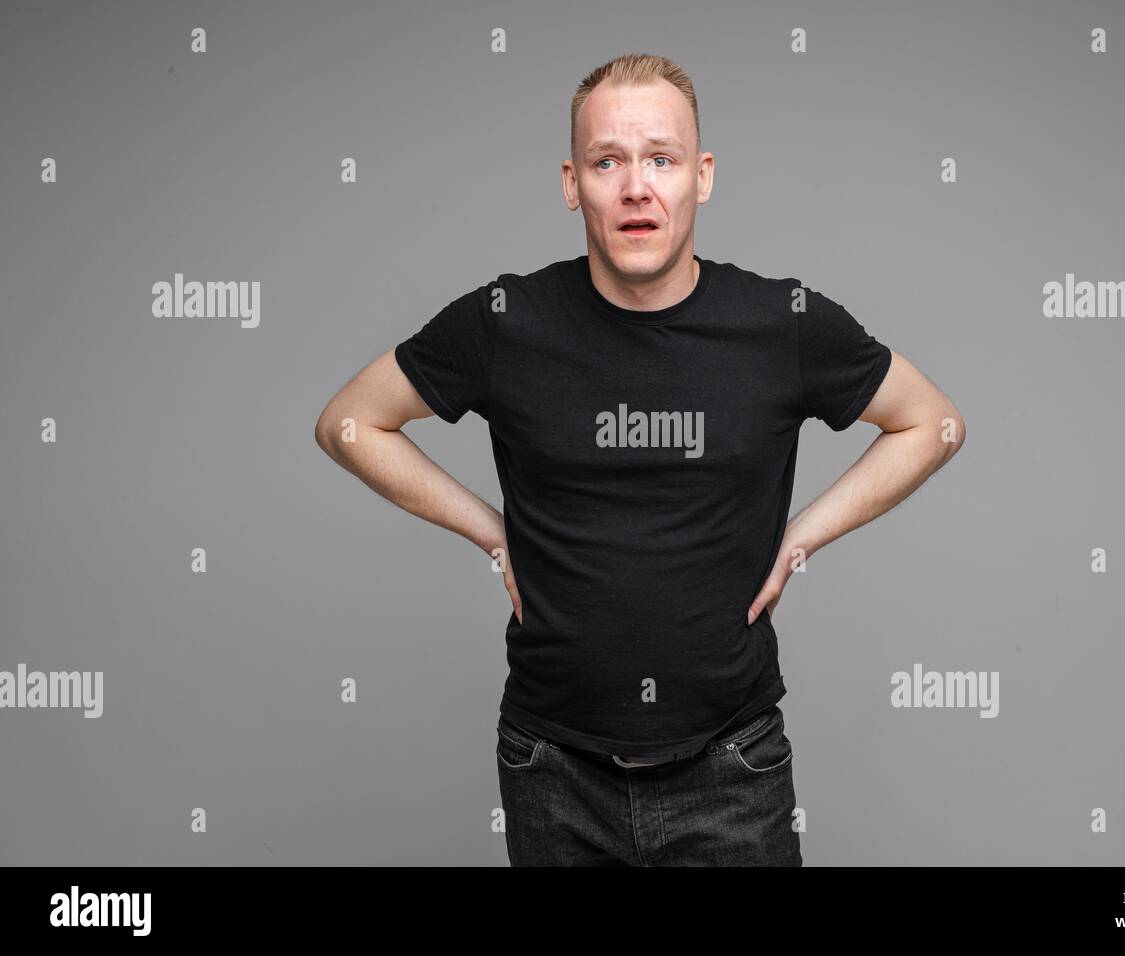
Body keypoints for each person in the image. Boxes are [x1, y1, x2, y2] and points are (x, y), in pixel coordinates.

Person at [314, 52, 965, 866]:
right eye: (607, 161)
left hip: (733, 768)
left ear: (703, 175)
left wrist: (799, 539)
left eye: (662, 158)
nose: (636, 187)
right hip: (552, 769)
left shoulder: (781, 324)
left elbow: (931, 423)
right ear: (569, 181)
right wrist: (492, 531)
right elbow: (348, 424)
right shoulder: (506, 321)